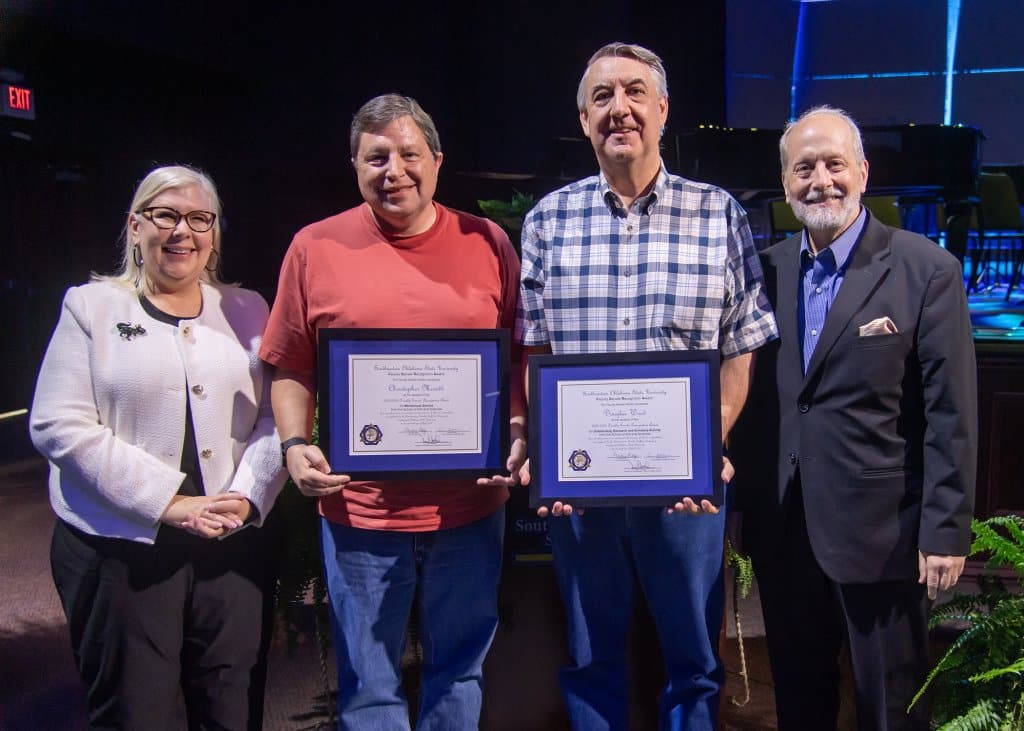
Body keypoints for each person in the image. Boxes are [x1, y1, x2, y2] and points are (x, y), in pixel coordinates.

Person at [516, 42, 778, 729]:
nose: (619, 109)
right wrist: (549, 454)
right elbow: (536, 348)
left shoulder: (718, 213)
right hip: (581, 489)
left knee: (693, 660)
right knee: (589, 655)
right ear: (583, 119)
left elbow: (741, 344)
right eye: (601, 96)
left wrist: (709, 440)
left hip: (684, 487)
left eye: (635, 92)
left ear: (662, 109)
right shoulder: (547, 220)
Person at [260, 93, 524, 730]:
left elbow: (518, 354)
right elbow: (291, 364)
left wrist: (517, 429)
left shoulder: (487, 242)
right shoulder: (314, 247)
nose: (394, 171)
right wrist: (294, 446)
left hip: (469, 508)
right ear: (354, 165)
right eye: (376, 157)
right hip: (360, 511)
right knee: (369, 686)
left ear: (437, 162)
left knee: (459, 672)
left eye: (409, 154)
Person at [731, 106, 977, 730]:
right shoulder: (763, 272)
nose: (821, 182)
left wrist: (945, 529)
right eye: (804, 169)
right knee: (799, 701)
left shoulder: (927, 270)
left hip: (883, 535)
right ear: (785, 183)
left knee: (890, 707)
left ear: (863, 173)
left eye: (834, 165)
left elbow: (950, 411)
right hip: (785, 530)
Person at [30, 165, 287, 729]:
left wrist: (249, 495)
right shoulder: (91, 307)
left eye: (199, 219)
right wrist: (169, 502)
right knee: (134, 713)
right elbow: (57, 424)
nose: (182, 231)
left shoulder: (248, 308)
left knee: (232, 709)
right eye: (165, 215)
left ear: (214, 232)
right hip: (120, 551)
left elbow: (275, 416)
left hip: (231, 544)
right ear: (135, 226)